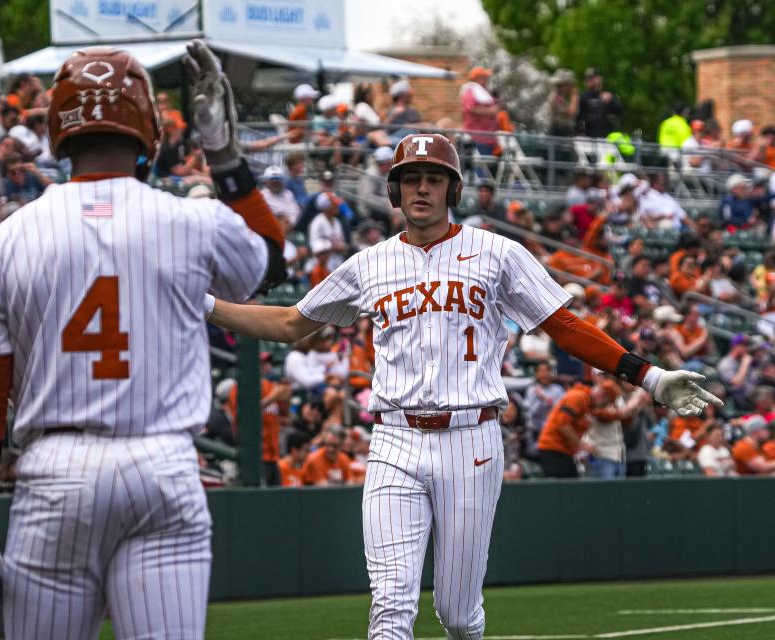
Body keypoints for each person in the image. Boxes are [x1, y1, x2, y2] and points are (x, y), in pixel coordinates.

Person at [205, 132, 719, 639]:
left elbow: (563, 326)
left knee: (457, 614)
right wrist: (204, 303)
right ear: (395, 190)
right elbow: (292, 323)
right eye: (410, 179)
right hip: (393, 439)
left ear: (453, 190)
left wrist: (647, 375)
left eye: (434, 179)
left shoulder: (496, 251)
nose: (421, 189)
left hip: (470, 438)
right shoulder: (370, 263)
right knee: (389, 606)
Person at [0, 42, 285, 639]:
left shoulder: (2, 242)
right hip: (163, 466)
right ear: (149, 130)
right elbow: (271, 262)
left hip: (55, 472)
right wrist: (224, 150)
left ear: (58, 127)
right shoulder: (191, 220)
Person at [460, 66, 499, 155]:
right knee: (479, 166)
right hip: (477, 138)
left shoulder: (483, 91)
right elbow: (470, 107)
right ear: (478, 78)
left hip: (487, 139)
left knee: (486, 165)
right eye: (484, 77)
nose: (487, 79)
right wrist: (490, 111)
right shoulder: (471, 90)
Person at [577, 68, 622, 138]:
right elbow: (577, 117)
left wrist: (611, 100)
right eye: (588, 78)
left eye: (593, 78)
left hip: (606, 138)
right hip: (587, 137)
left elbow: (620, 110)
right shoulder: (582, 97)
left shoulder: (608, 95)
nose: (590, 80)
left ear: (600, 79)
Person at [548, 68, 578, 137]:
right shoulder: (556, 97)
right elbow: (571, 112)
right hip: (559, 132)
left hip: (567, 132)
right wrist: (574, 96)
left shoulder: (565, 97)